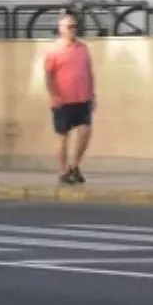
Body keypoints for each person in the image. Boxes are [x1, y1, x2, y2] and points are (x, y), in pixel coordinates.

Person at [44, 13, 95, 185]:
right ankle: (63, 171)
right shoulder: (54, 50)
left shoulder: (83, 48)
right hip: (63, 101)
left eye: (74, 26)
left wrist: (92, 94)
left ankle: (75, 166)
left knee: (85, 132)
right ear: (61, 29)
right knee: (63, 137)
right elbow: (48, 76)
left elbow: (89, 72)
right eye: (69, 27)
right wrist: (54, 95)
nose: (73, 29)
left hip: (82, 99)